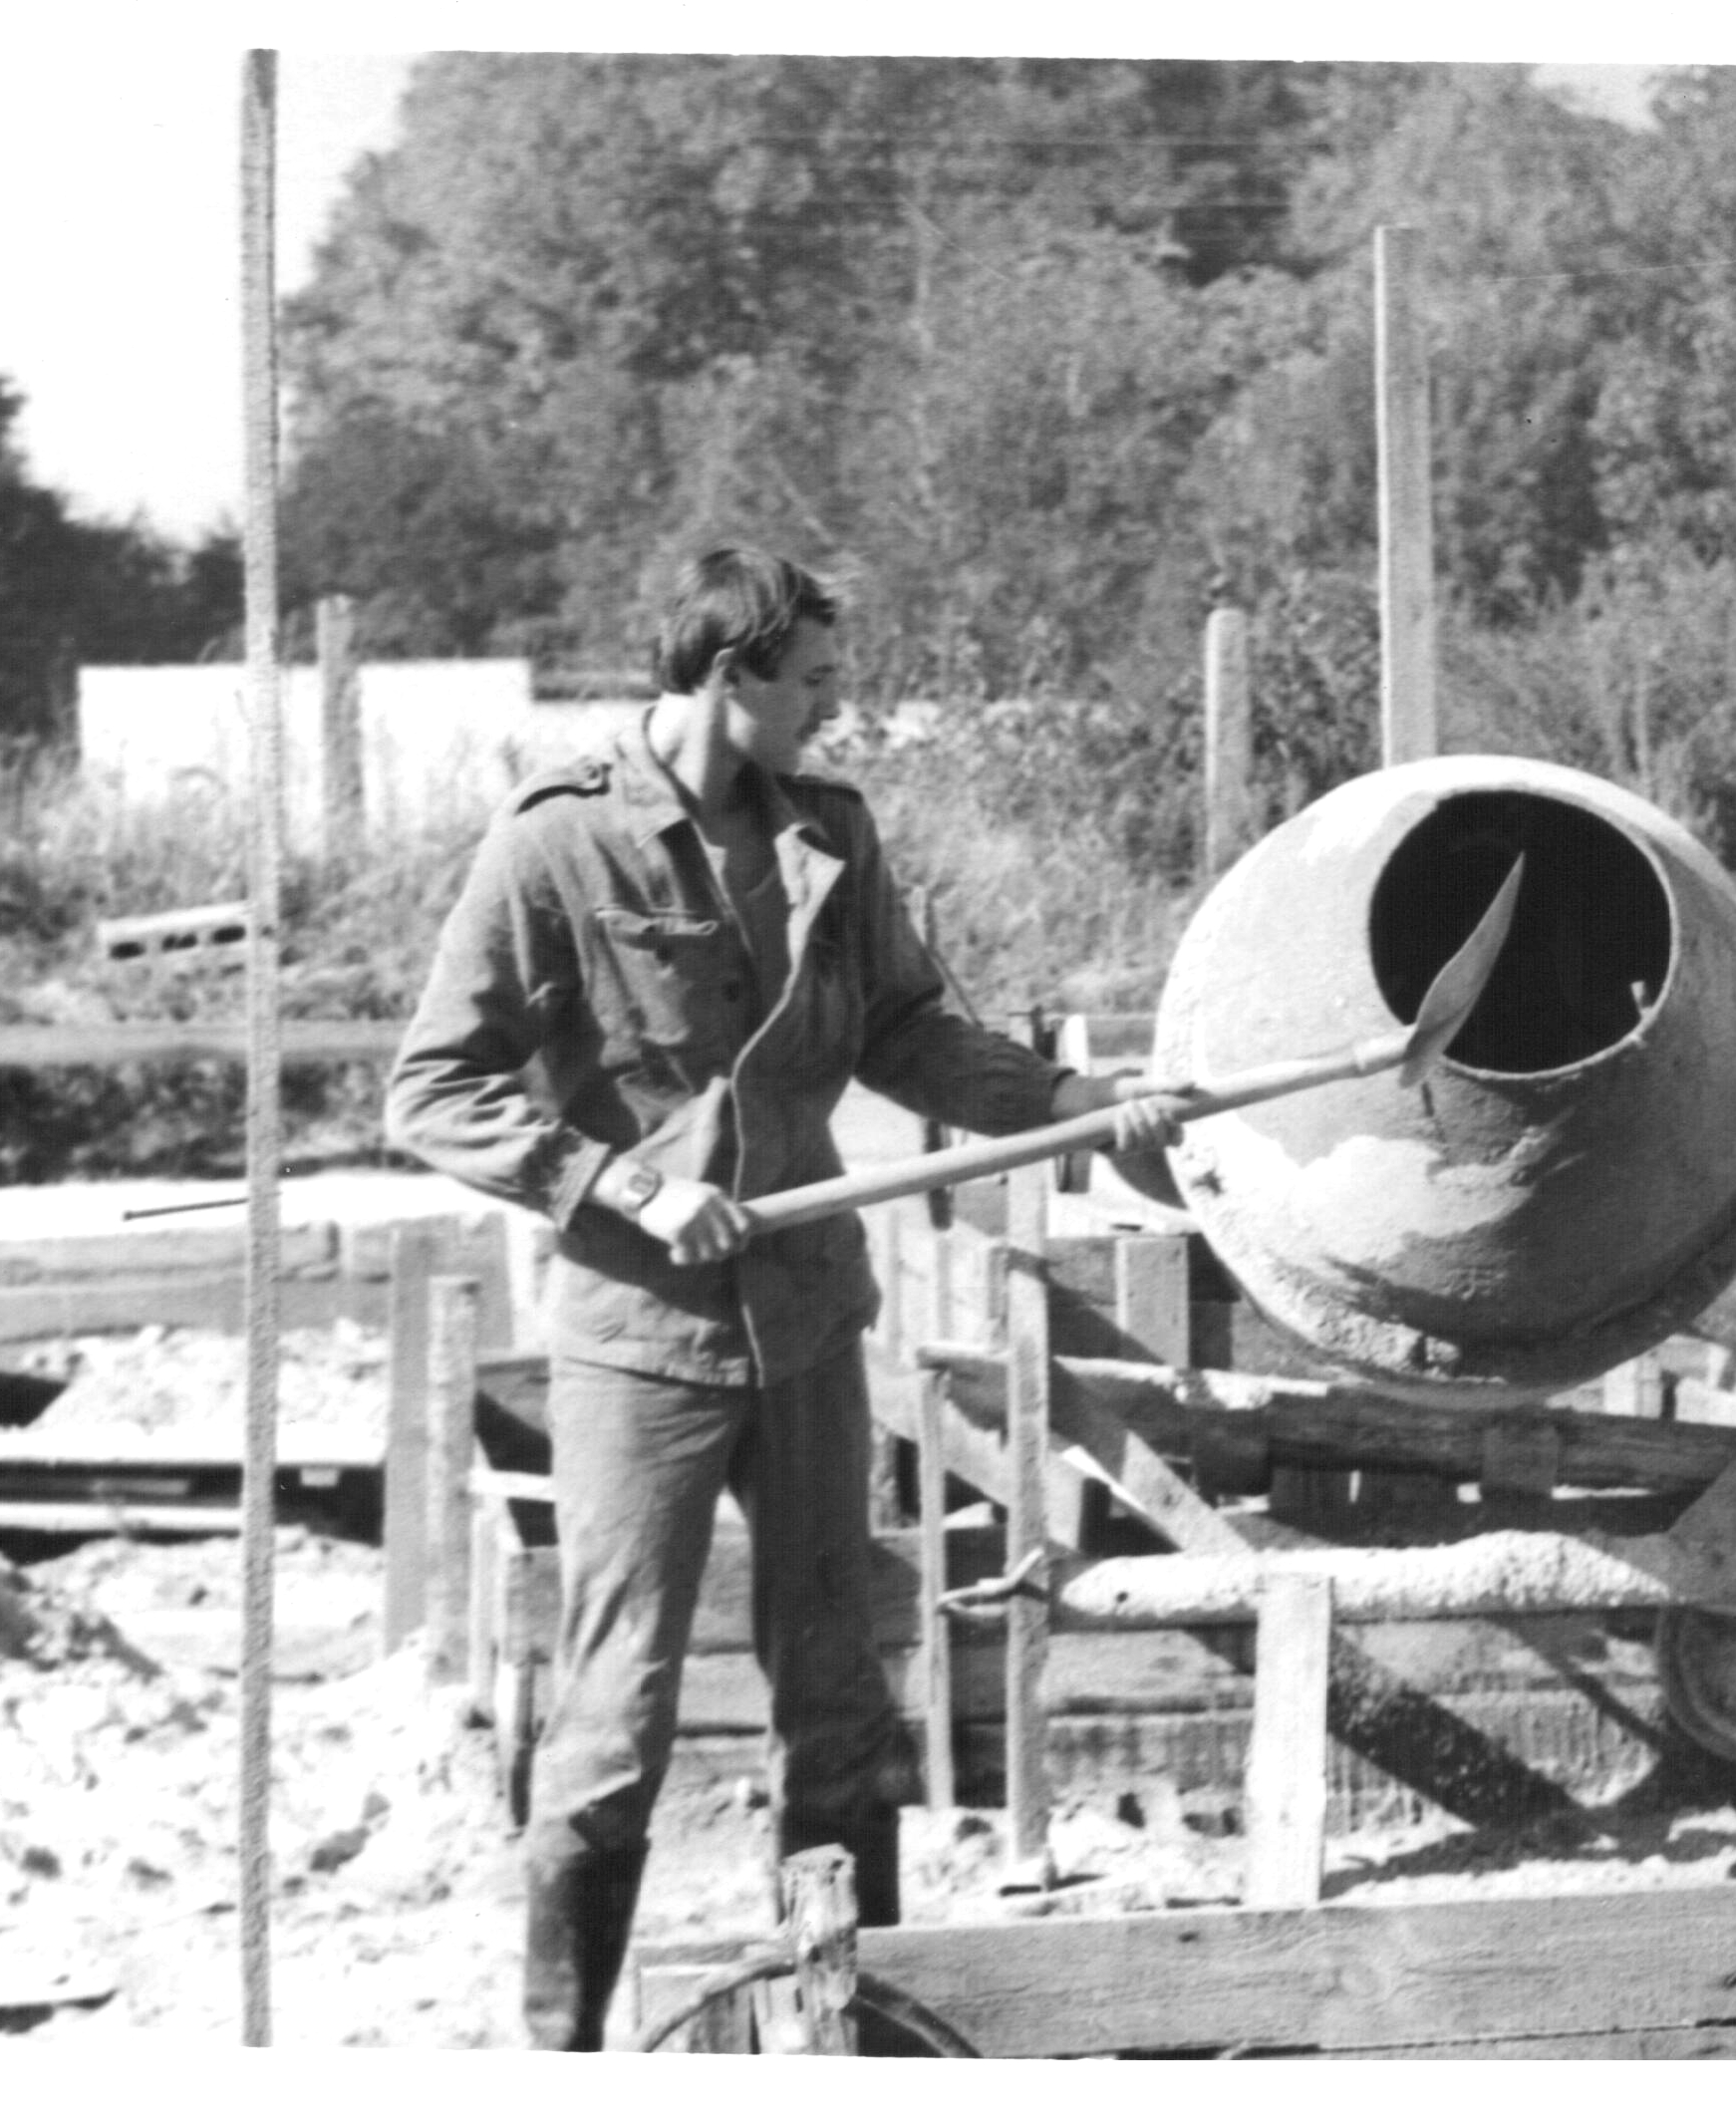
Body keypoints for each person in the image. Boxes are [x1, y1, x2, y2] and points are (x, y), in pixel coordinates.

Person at [386, 547, 1180, 2049]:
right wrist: (623, 1186)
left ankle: (848, 2038)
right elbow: (434, 1088)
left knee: (840, 1695)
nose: (832, 706)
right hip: (642, 1343)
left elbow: (907, 1031)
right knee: (615, 1717)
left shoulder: (829, 832)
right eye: (810, 680)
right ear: (725, 672)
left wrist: (1072, 1101)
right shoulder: (557, 843)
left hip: (810, 1324)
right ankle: (562, 2056)